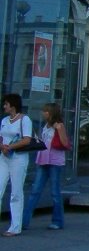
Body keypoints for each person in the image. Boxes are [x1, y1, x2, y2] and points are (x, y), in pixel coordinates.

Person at [23, 102, 71, 231]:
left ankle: (57, 221)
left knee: (55, 192)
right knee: (35, 191)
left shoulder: (59, 125)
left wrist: (58, 130)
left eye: (46, 111)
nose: (43, 113)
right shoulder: (45, 126)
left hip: (55, 162)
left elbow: (65, 143)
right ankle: (23, 221)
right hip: (43, 160)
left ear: (51, 113)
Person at [1, 94, 33, 236]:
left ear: (13, 105)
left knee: (16, 192)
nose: (4, 106)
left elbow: (27, 140)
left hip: (18, 159)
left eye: (6, 104)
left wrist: (11, 147)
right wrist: (2, 146)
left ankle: (15, 226)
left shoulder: (25, 120)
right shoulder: (4, 120)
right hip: (4, 157)